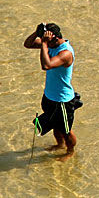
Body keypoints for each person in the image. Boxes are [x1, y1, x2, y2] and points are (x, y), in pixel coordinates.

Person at [23, 23, 78, 160]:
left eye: (47, 40)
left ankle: (70, 151)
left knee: (66, 130)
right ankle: (60, 145)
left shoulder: (65, 53)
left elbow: (46, 65)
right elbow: (27, 44)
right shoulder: (50, 45)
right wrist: (37, 33)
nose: (44, 42)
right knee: (55, 126)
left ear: (55, 39)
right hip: (49, 97)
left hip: (63, 101)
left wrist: (44, 44)